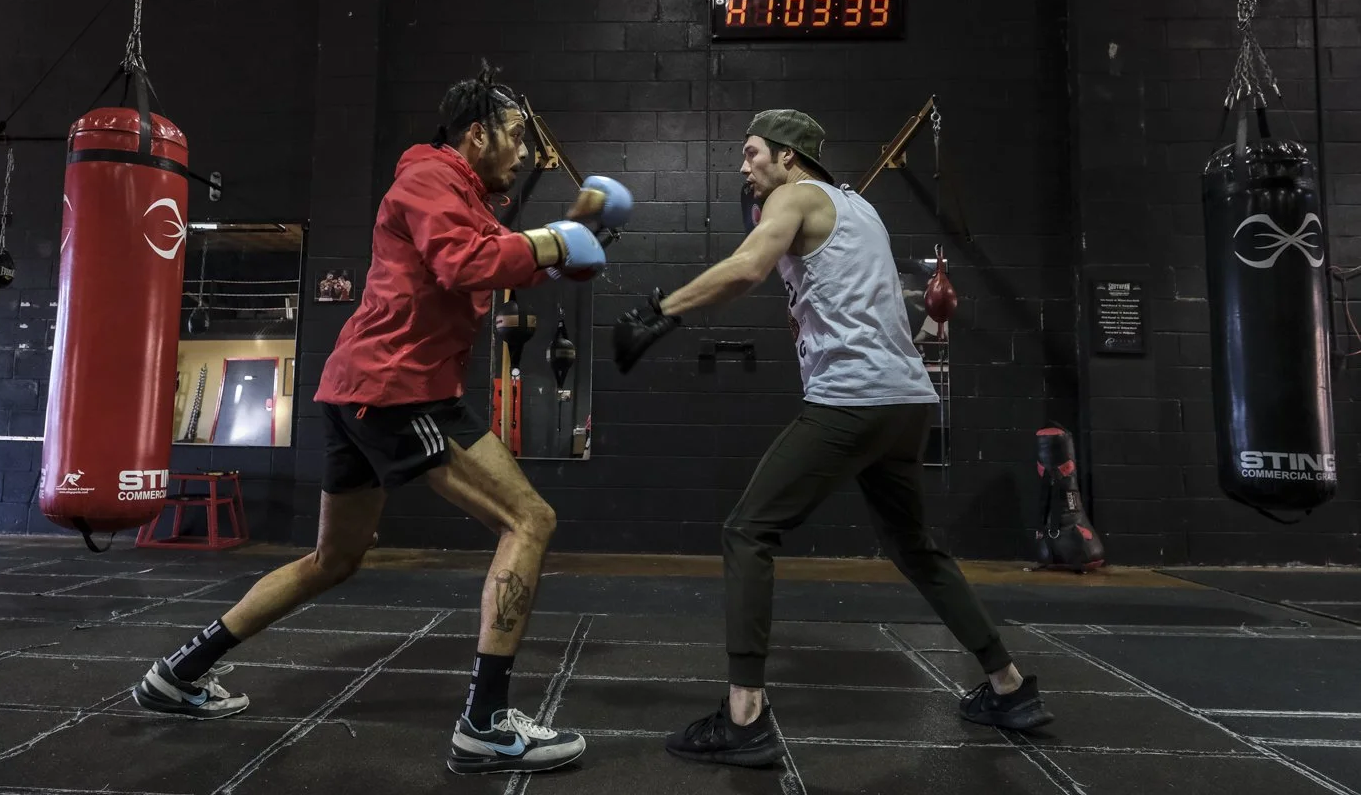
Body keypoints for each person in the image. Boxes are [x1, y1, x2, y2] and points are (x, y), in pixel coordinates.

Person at [130, 62, 632, 777]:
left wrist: (568, 240)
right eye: (516, 137)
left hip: (361, 391)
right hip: (401, 393)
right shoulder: (428, 177)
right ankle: (485, 725)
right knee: (531, 520)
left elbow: (493, 262)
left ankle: (179, 672)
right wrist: (555, 242)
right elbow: (464, 262)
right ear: (477, 133)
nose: (524, 154)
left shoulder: (465, 195)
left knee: (333, 560)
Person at [612, 109, 1053, 768]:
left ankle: (744, 718)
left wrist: (660, 313)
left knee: (747, 531)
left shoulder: (792, 196)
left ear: (788, 157)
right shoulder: (859, 208)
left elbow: (745, 268)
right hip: (906, 403)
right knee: (915, 547)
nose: (744, 166)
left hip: (853, 401)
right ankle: (1009, 688)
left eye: (752, 152)